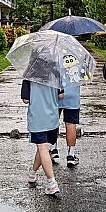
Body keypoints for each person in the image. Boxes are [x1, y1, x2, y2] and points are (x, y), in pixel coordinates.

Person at [21, 49, 64, 196]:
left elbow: (25, 99)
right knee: (44, 148)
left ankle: (52, 183)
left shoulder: (29, 75)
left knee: (42, 148)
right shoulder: (55, 72)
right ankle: (32, 173)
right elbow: (61, 95)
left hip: (38, 117)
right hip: (52, 118)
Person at [48, 76, 81, 167]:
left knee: (53, 122)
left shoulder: (54, 65)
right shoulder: (79, 65)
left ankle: (53, 150)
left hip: (56, 94)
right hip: (72, 94)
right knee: (71, 124)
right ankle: (71, 155)